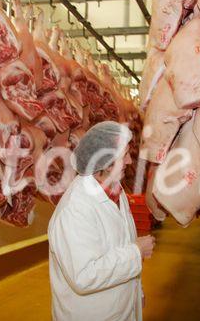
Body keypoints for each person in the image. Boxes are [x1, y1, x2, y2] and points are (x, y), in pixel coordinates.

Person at [48, 121, 156, 321]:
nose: (130, 162)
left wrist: (135, 292)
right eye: (125, 156)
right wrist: (136, 253)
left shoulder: (116, 191)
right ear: (105, 162)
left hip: (120, 310)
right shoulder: (75, 209)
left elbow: (120, 243)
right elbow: (84, 276)